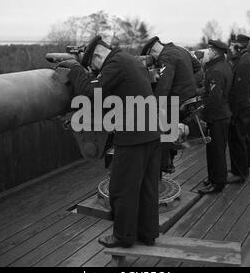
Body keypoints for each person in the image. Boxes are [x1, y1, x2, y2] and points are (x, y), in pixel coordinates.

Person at [67, 36, 161, 248]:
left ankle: (123, 237)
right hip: (151, 133)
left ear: (99, 56)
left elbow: (92, 92)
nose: (95, 70)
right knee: (147, 187)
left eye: (93, 65)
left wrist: (75, 69)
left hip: (133, 137)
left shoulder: (115, 63)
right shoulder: (130, 60)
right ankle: (147, 234)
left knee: (121, 189)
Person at [141, 36, 198, 174]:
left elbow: (164, 86)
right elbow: (198, 67)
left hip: (177, 100)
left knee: (159, 128)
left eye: (152, 57)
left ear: (153, 52)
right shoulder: (180, 49)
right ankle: (168, 160)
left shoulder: (165, 57)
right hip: (189, 98)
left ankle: (163, 164)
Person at [198, 40, 233, 195]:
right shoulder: (223, 66)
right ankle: (214, 178)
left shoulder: (216, 71)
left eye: (210, 49)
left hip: (217, 117)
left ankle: (218, 183)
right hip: (221, 115)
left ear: (215, 52)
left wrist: (205, 117)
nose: (207, 52)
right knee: (214, 150)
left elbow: (214, 99)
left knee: (216, 151)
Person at [227, 34, 250, 183]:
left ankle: (239, 173)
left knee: (237, 139)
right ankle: (245, 166)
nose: (230, 49)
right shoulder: (245, 59)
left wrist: (233, 111)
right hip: (244, 105)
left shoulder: (244, 63)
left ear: (239, 47)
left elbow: (240, 91)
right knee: (242, 137)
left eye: (233, 46)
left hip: (240, 107)